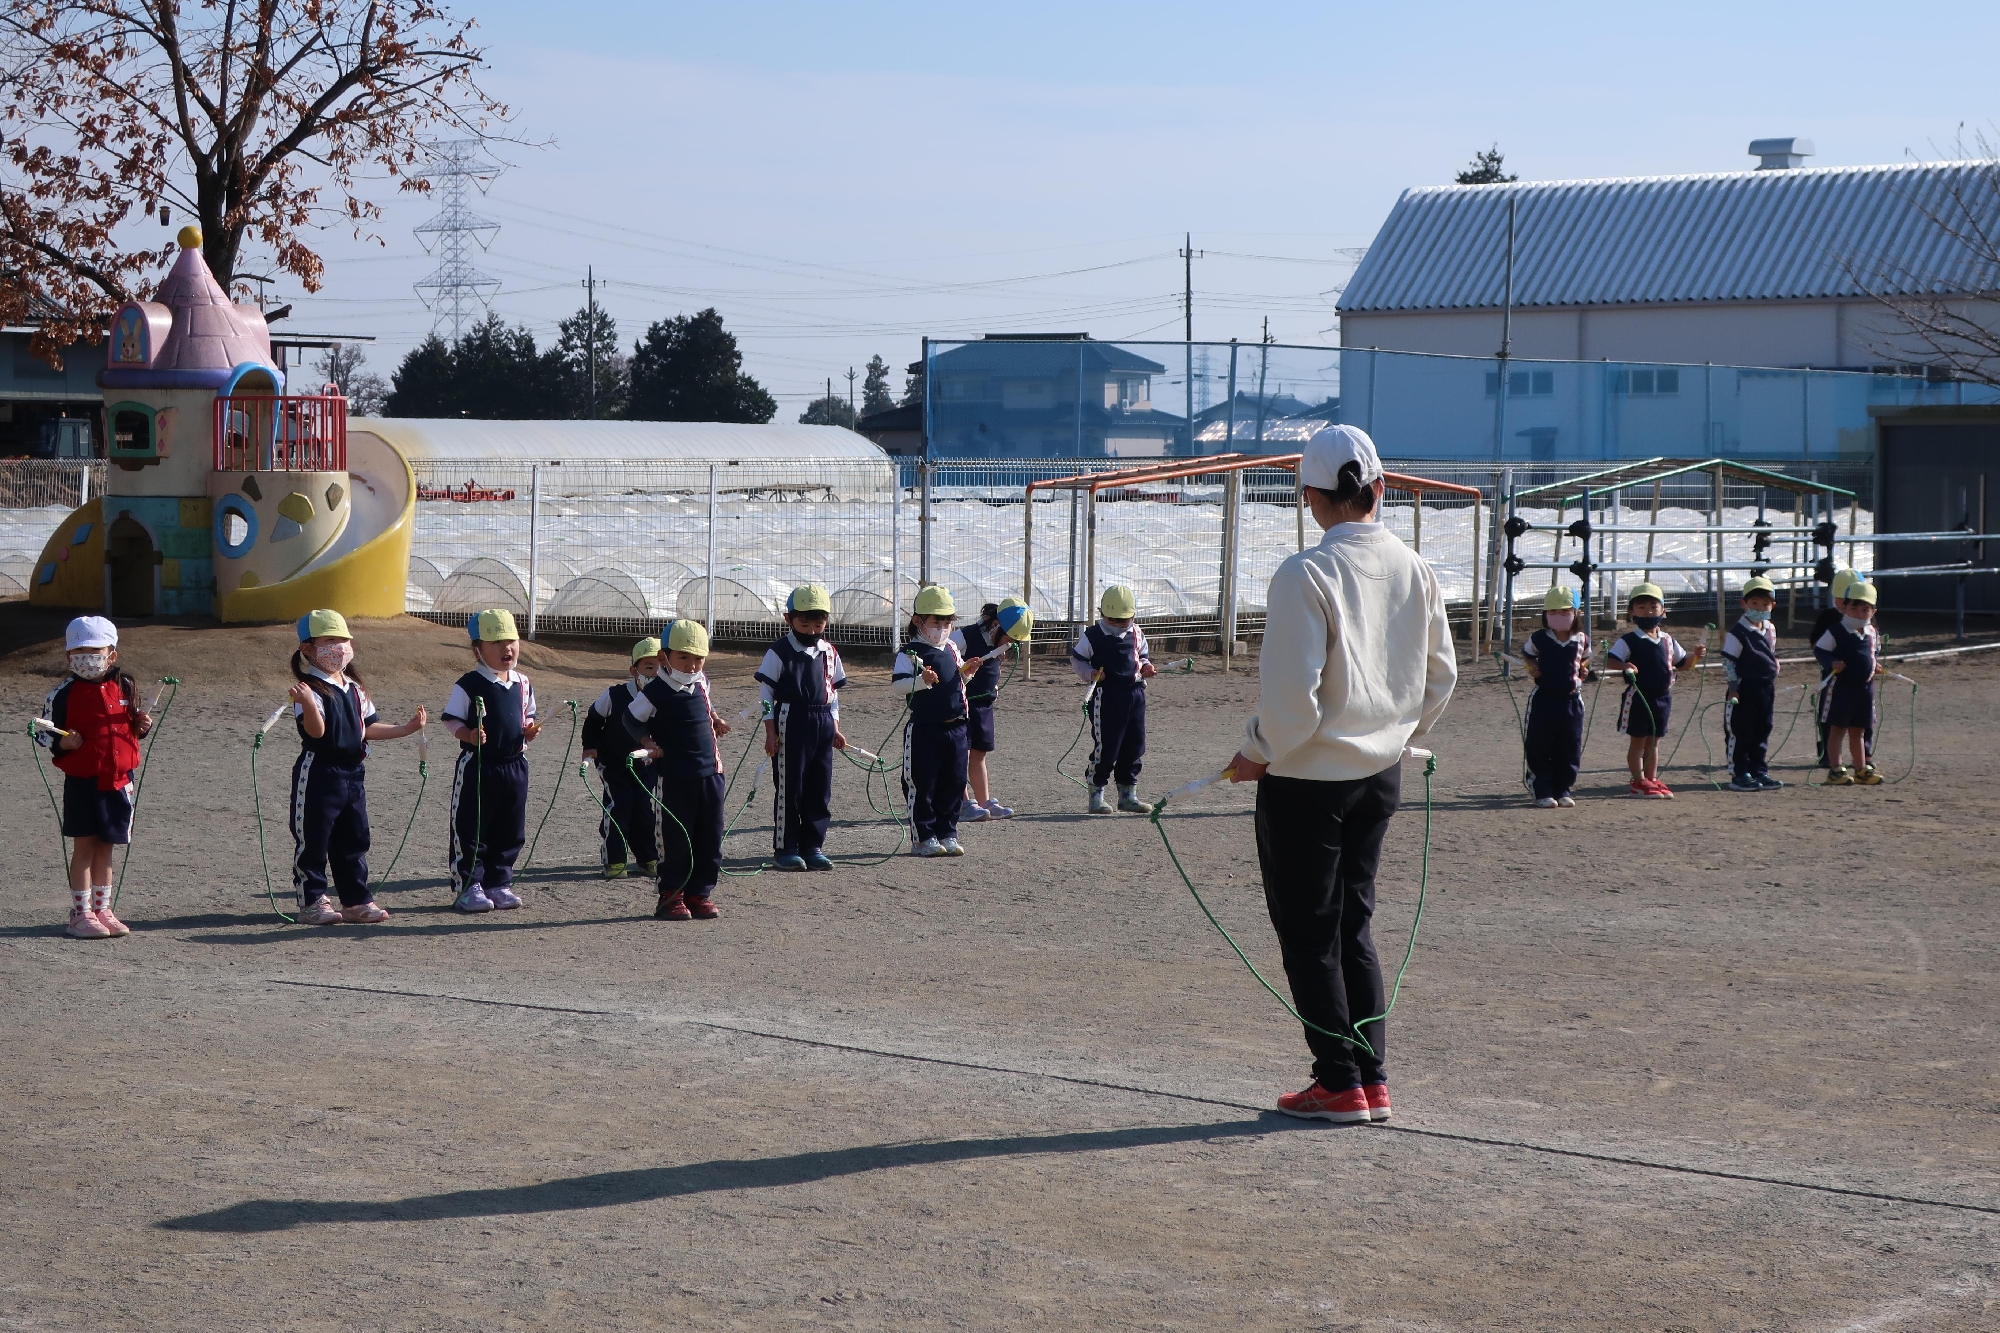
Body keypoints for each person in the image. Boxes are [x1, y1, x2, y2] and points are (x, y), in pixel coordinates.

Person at [1227, 425, 1457, 1125]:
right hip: (1380, 773)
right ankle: (1371, 1077)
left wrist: (1257, 749)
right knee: (1353, 925)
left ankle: (1337, 1080)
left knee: (1309, 931)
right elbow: (1440, 676)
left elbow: (1293, 700)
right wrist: (1397, 733)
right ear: (1380, 490)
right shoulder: (1415, 567)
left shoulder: (1306, 572)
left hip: (1308, 778)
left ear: (1310, 499)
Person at [286, 610, 427, 925]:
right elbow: (316, 732)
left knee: (354, 837)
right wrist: (308, 703)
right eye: (330, 640)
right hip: (320, 773)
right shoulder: (308, 689)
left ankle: (355, 900)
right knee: (314, 837)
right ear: (308, 649)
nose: (340, 647)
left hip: (353, 775)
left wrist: (406, 728)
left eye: (344, 639)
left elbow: (367, 728)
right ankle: (312, 901)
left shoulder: (354, 687)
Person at [37, 616, 154, 939]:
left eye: (95, 650)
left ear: (111, 654)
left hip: (118, 781)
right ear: (68, 657)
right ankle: (81, 913)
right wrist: (63, 742)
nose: (87, 658)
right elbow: (42, 732)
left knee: (107, 847)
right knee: (85, 846)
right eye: (79, 652)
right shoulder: (62, 693)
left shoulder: (126, 685)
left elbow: (129, 724)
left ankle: (103, 908)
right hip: (83, 782)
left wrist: (141, 727)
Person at [442, 609, 542, 912]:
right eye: (496, 643)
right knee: (472, 826)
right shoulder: (470, 683)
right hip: (479, 766)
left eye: (511, 640)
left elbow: (529, 714)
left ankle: (499, 882)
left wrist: (529, 729)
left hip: (515, 766)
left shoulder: (523, 682)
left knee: (510, 828)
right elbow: (451, 719)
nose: (506, 649)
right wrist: (468, 734)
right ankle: (468, 885)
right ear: (478, 649)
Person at [628, 620, 729, 919]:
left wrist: (716, 718)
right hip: (674, 777)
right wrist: (648, 741)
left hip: (711, 773)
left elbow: (705, 707)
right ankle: (671, 895)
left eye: (698, 657)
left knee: (710, 837)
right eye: (683, 657)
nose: (691, 664)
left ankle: (700, 893)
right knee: (675, 839)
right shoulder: (655, 691)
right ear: (664, 657)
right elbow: (631, 719)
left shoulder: (702, 682)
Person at [756, 584, 849, 871]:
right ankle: (786, 848)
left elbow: (832, 693)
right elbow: (766, 696)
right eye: (804, 623)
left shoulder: (830, 652)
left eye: (818, 623)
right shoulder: (779, 651)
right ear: (789, 619)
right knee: (789, 787)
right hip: (790, 720)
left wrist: (835, 726)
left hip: (822, 723)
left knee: (819, 787)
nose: (811, 629)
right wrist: (771, 732)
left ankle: (813, 846)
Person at [894, 585, 980, 856]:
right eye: (936, 621)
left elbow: (957, 683)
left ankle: (948, 832)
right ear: (918, 621)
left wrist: (967, 673)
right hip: (925, 729)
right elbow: (898, 686)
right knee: (923, 783)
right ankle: (923, 837)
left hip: (957, 727)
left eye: (947, 621)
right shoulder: (910, 652)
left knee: (954, 783)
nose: (942, 627)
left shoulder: (952, 647)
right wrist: (921, 681)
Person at [1608, 582, 1703, 799]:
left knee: (1655, 740)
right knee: (1639, 741)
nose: (1648, 612)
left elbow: (1682, 664)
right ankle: (1638, 781)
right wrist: (1625, 666)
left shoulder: (1668, 640)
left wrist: (1695, 656)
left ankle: (1651, 778)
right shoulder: (1629, 640)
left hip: (1663, 698)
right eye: (1641, 607)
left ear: (1663, 611)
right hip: (1639, 697)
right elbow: (1610, 660)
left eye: (1653, 607)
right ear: (1632, 612)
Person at [1071, 584, 1158, 814]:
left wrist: (1147, 667)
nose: (1119, 624)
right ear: (1103, 614)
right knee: (1108, 746)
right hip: (1106, 696)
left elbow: (1143, 657)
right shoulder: (1093, 635)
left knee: (1135, 744)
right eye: (1114, 619)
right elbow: (1077, 659)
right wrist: (1090, 674)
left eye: (1124, 620)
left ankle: (1128, 794)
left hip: (1135, 694)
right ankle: (1096, 793)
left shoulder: (1137, 633)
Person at [581, 637, 664, 880]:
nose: (656, 672)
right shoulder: (615, 695)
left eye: (661, 666)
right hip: (613, 762)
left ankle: (648, 857)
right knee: (620, 806)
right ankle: (614, 860)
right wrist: (590, 746)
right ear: (634, 670)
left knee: (644, 809)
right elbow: (594, 718)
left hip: (646, 765)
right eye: (649, 667)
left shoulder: (666, 696)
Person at [953, 598, 1031, 821]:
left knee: (979, 753)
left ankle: (984, 801)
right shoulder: (965, 636)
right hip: (961, 705)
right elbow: (943, 657)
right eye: (1010, 639)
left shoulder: (999, 643)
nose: (1012, 644)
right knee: (960, 754)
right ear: (996, 624)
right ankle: (963, 803)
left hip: (984, 705)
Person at [1519, 586, 1588, 808]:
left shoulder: (1582, 639)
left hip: (1572, 700)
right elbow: (1528, 655)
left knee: (1569, 745)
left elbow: (1583, 663)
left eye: (1565, 612)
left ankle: (1563, 788)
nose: (1558, 616)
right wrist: (1535, 668)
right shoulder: (1539, 638)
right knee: (1539, 743)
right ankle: (1542, 789)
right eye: (1553, 612)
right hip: (1544, 699)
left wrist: (1583, 672)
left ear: (1576, 613)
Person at [1815, 580, 1882, 785]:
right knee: (1838, 729)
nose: (1859, 613)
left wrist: (1874, 665)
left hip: (1865, 689)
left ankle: (1861, 768)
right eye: (1854, 608)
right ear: (1845, 607)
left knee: (1859, 729)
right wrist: (1831, 662)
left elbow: (1872, 653)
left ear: (1873, 611)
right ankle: (1836, 768)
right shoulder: (1836, 631)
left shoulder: (1872, 632)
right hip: (1842, 687)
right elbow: (1820, 650)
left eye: (1865, 609)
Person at [1722, 576, 1783, 792]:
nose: (1760, 608)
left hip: (1766, 687)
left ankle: (1759, 770)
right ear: (1744, 603)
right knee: (1741, 729)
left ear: (1772, 605)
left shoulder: (1770, 628)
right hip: (1745, 687)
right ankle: (1740, 772)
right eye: (1754, 603)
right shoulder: (1737, 633)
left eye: (1765, 604)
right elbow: (1730, 662)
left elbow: (1770, 652)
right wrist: (1733, 687)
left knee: (1763, 728)